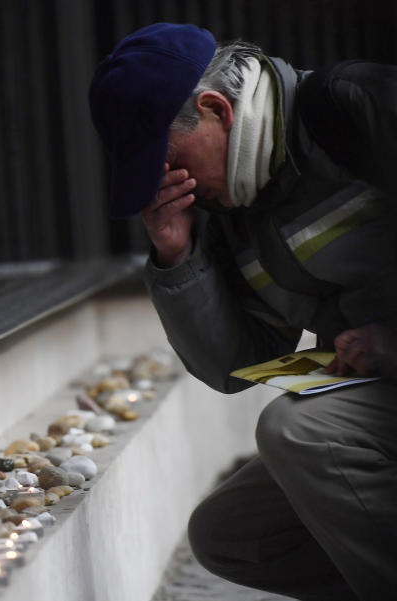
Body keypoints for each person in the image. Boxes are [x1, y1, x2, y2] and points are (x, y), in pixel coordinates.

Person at [89, 23, 397, 601]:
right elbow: (237, 364)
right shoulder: (233, 206)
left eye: (167, 159)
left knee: (298, 431)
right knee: (232, 535)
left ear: (216, 111)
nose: (168, 184)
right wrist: (176, 255)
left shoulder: (351, 105)